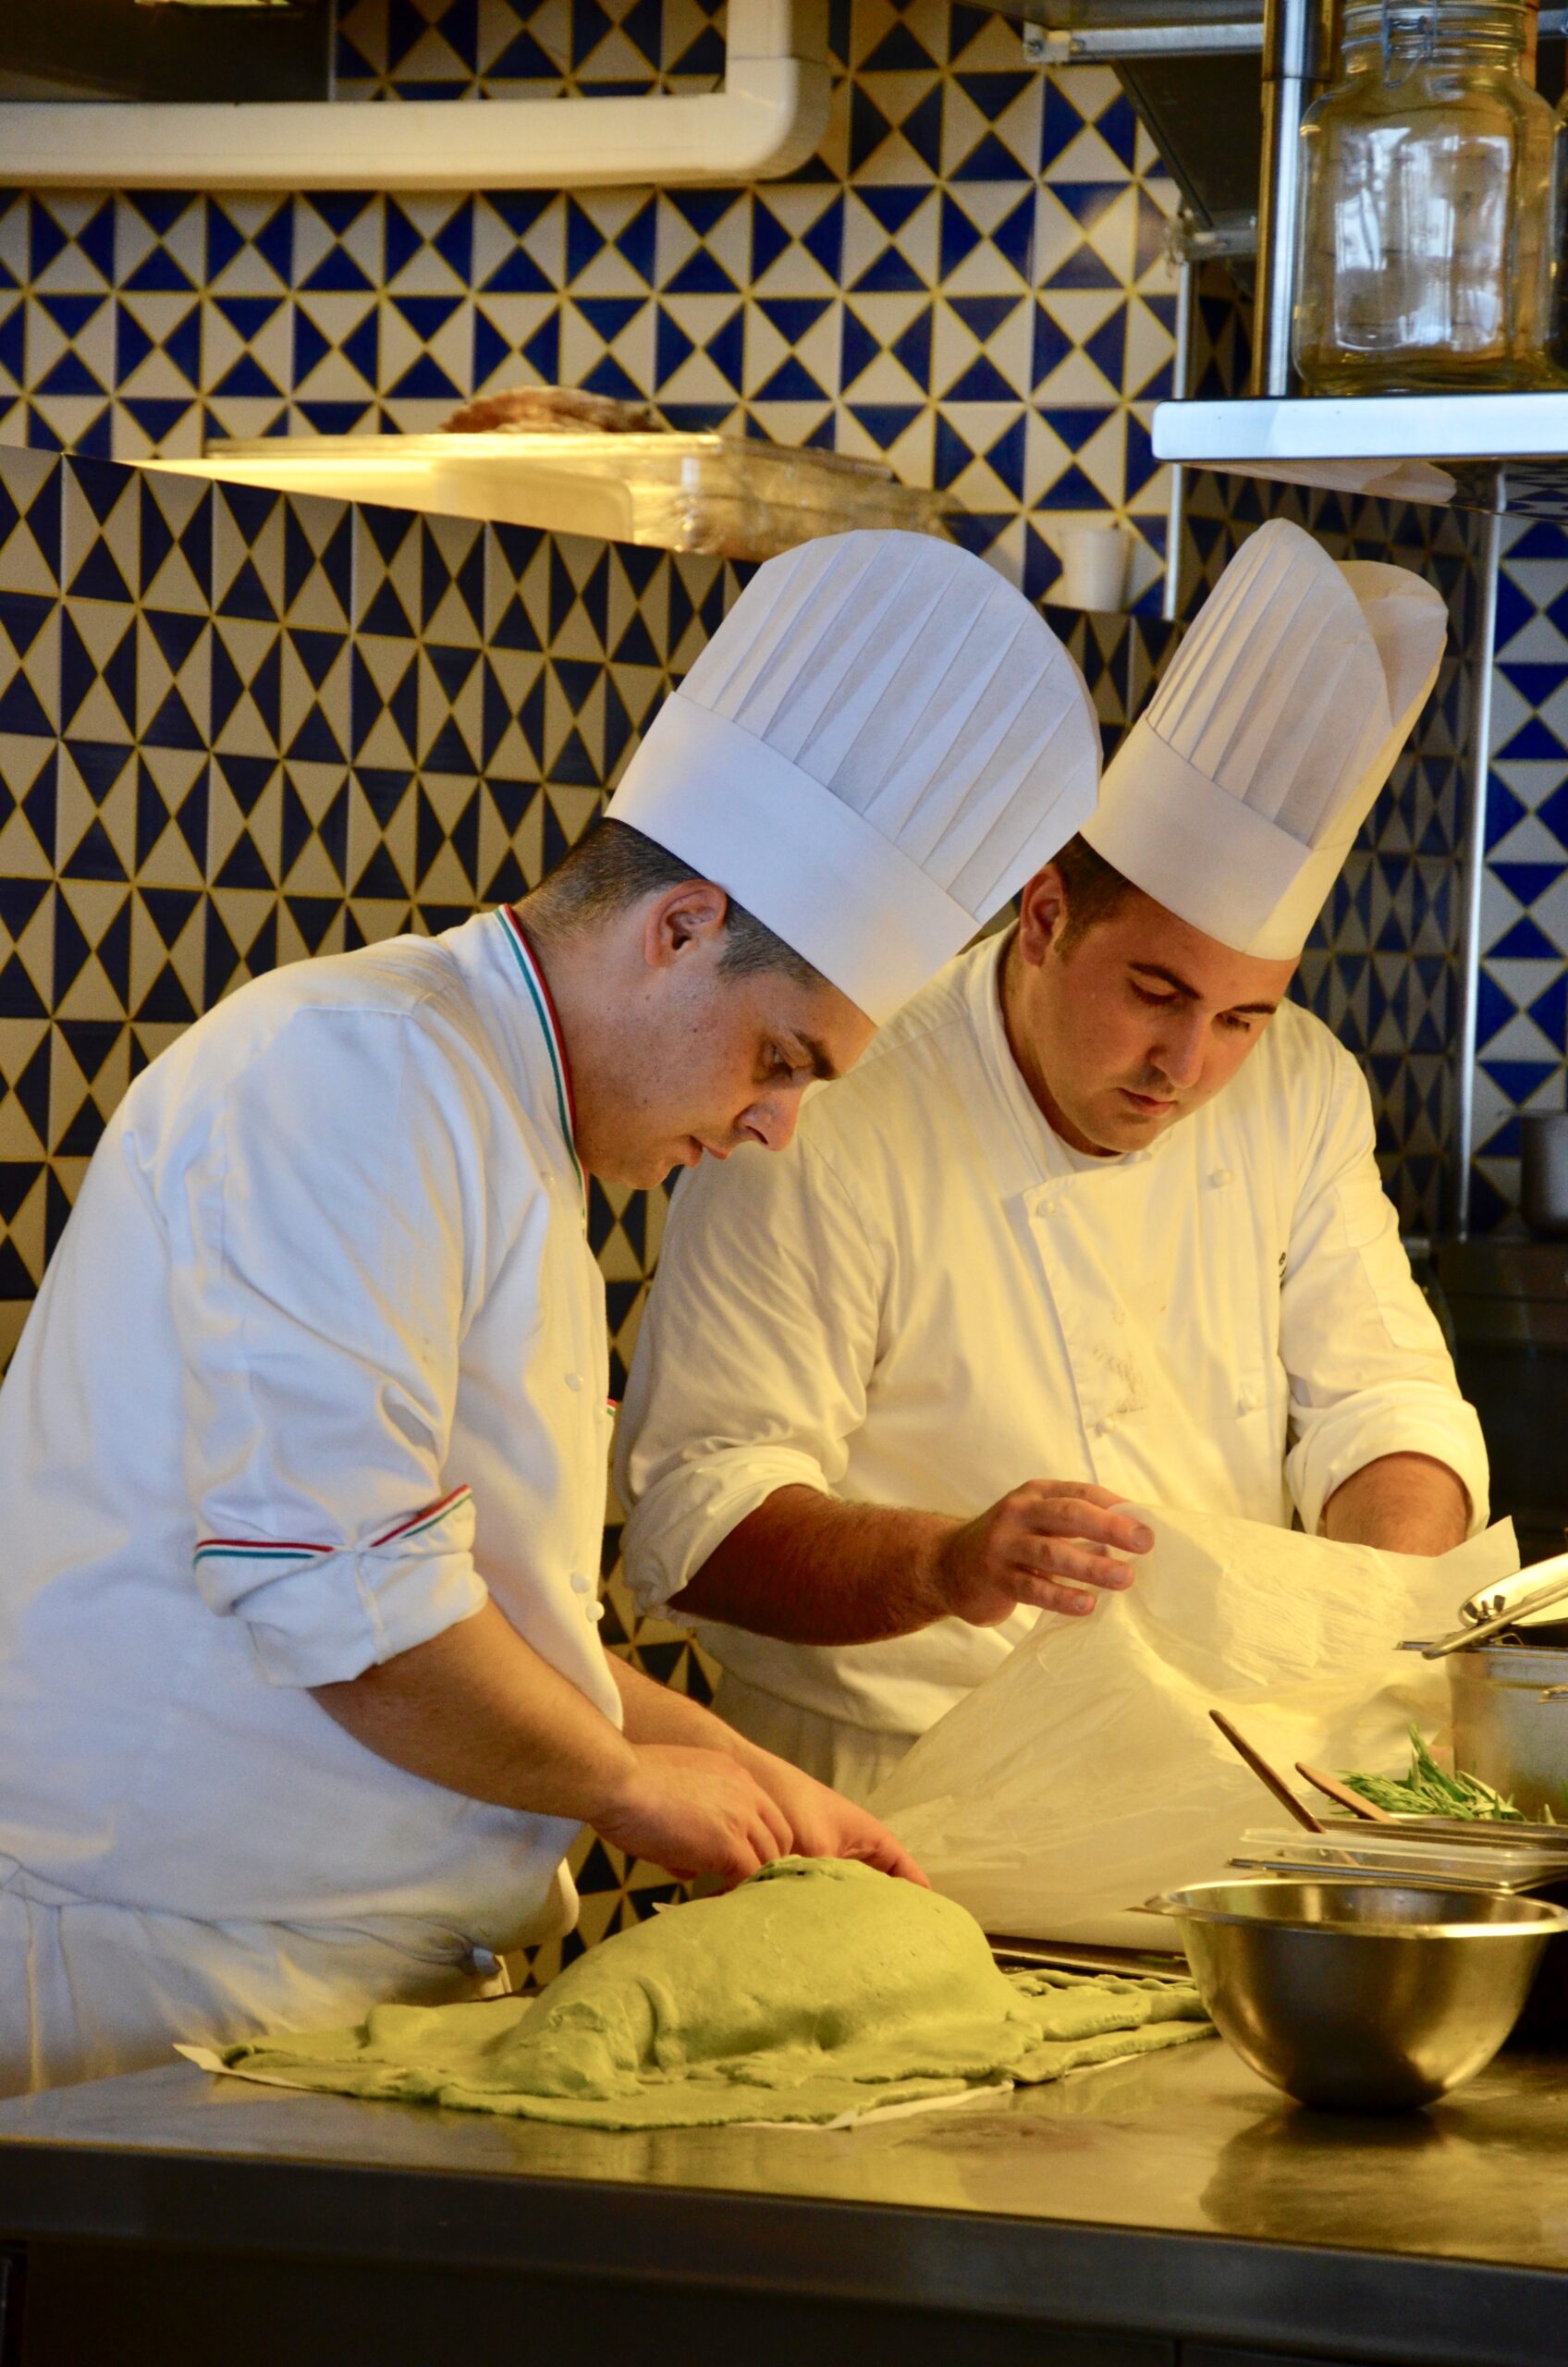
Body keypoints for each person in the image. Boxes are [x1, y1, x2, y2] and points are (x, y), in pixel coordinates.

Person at [0, 527, 1103, 2094]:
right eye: (782, 1059)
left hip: (325, 1985)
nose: (776, 1126)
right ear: (680, 927)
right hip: (151, 1981)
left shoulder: (502, 1119)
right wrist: (626, 1789)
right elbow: (352, 1611)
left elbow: (492, 1623)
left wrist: (744, 1774)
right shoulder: (357, 1074)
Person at [616, 519, 1491, 1801]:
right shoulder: (832, 1106)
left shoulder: (1300, 1085)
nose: (1187, 1064)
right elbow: (699, 1518)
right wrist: (949, 1562)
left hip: (1219, 1779)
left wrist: (1377, 1607)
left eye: (1241, 1018)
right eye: (1155, 993)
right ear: (1042, 917)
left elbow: (1382, 1404)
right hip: (891, 1789)